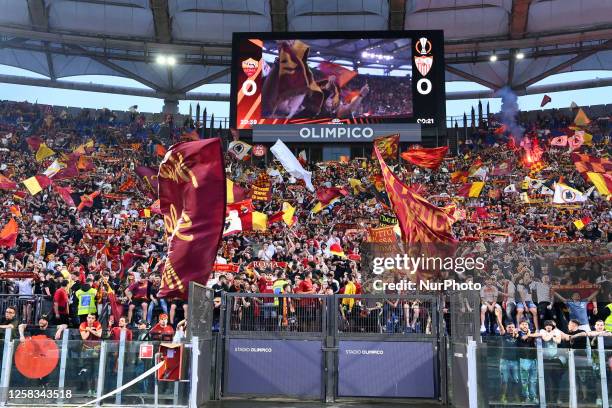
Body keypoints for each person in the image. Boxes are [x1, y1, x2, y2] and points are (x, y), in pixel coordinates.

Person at [79, 313, 103, 397]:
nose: (90, 320)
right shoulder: (83, 324)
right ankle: (89, 391)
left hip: (97, 350)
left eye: (92, 318)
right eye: (89, 318)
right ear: (86, 318)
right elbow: (84, 337)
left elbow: (99, 335)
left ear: (94, 319)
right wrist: (90, 330)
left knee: (96, 371)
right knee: (88, 371)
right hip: (86, 350)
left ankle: (96, 391)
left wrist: (89, 329)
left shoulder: (97, 324)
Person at [516, 319, 539, 403]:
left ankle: (533, 397)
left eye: (526, 324)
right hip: (524, 359)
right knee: (524, 380)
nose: (525, 326)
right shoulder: (517, 333)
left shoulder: (532, 333)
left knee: (533, 380)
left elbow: (539, 334)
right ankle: (526, 397)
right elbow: (524, 338)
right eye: (523, 324)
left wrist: (531, 333)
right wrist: (529, 333)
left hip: (533, 359)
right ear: (520, 326)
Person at [499, 322, 520, 403]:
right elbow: (501, 327)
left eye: (512, 327)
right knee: (504, 380)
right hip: (504, 361)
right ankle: (503, 397)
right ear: (506, 328)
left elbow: (525, 332)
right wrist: (498, 318)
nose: (511, 328)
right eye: (509, 327)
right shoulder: (504, 335)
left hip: (515, 361)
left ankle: (516, 397)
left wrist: (518, 333)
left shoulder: (517, 336)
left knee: (516, 380)